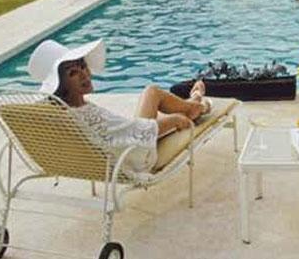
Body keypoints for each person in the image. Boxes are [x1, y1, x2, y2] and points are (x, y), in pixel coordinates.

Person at [29, 39, 211, 173]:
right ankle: (197, 104)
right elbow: (129, 137)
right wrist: (174, 121)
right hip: (135, 156)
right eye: (73, 73)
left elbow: (121, 132)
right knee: (168, 108)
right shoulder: (86, 116)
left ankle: (193, 102)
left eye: (83, 66)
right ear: (60, 85)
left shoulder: (65, 112)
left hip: (124, 146)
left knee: (152, 93)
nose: (85, 75)